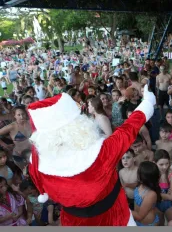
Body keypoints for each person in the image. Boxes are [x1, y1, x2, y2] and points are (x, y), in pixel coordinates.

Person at [27, 85, 156, 226]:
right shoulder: (101, 153)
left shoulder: (38, 162)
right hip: (113, 217)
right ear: (78, 125)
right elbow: (128, 129)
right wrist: (148, 103)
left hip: (73, 221)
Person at [132, 161, 160, 226]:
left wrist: (124, 209)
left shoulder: (151, 194)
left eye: (138, 171)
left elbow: (139, 216)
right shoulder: (140, 184)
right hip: (137, 219)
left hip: (147, 225)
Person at [154, 149, 172, 225]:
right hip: (156, 205)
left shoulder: (171, 174)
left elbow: (171, 197)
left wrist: (157, 194)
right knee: (160, 225)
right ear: (154, 163)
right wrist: (166, 195)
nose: (165, 167)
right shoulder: (152, 174)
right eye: (161, 164)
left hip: (169, 205)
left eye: (167, 164)